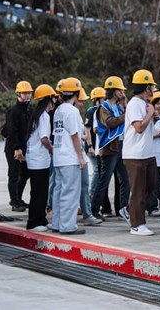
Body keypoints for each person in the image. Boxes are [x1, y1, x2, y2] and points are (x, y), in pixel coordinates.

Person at [123, 69, 158, 236]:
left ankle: (131, 210)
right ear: (146, 87)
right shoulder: (134, 104)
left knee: (151, 184)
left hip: (147, 153)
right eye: (150, 86)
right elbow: (138, 128)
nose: (152, 90)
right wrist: (150, 114)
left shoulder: (145, 104)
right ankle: (137, 224)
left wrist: (153, 115)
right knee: (138, 189)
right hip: (135, 154)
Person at [50, 77, 87, 235]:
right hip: (69, 157)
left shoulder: (58, 110)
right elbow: (74, 135)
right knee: (70, 193)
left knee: (58, 192)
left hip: (59, 156)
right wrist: (80, 157)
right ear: (76, 93)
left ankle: (57, 223)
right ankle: (68, 226)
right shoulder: (72, 111)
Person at [91, 76, 130, 222]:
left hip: (120, 146)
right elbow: (110, 123)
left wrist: (125, 105)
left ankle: (123, 209)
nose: (122, 92)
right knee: (104, 180)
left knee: (125, 180)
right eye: (120, 90)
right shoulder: (103, 107)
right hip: (109, 148)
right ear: (113, 91)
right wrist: (126, 115)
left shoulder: (119, 106)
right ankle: (94, 210)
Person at [25, 84, 56, 232]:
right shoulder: (43, 116)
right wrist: (52, 150)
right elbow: (44, 139)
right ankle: (33, 222)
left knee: (40, 191)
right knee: (39, 192)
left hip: (35, 159)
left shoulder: (37, 115)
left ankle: (41, 219)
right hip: (39, 160)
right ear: (48, 100)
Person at [3, 81, 33, 212]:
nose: (27, 95)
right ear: (18, 94)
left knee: (25, 174)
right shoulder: (13, 112)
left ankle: (18, 198)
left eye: (29, 93)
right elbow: (11, 131)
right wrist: (16, 148)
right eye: (24, 93)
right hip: (13, 148)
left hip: (25, 147)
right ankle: (14, 201)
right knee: (14, 174)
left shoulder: (29, 110)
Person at [74, 88, 101, 226]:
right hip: (77, 155)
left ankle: (86, 212)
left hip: (78, 154)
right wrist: (86, 149)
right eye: (80, 101)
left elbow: (79, 134)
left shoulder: (76, 114)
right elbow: (78, 135)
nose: (82, 103)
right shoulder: (76, 113)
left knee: (83, 185)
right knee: (76, 186)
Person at [85, 87, 111, 217]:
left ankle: (101, 202)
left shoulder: (104, 110)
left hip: (100, 146)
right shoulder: (91, 111)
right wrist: (90, 145)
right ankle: (91, 194)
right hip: (93, 147)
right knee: (96, 171)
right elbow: (88, 130)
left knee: (100, 173)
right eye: (102, 98)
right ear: (97, 99)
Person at [146, 91, 160, 218]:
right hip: (152, 154)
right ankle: (152, 207)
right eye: (157, 104)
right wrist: (158, 134)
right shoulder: (148, 118)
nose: (159, 106)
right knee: (152, 183)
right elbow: (145, 134)